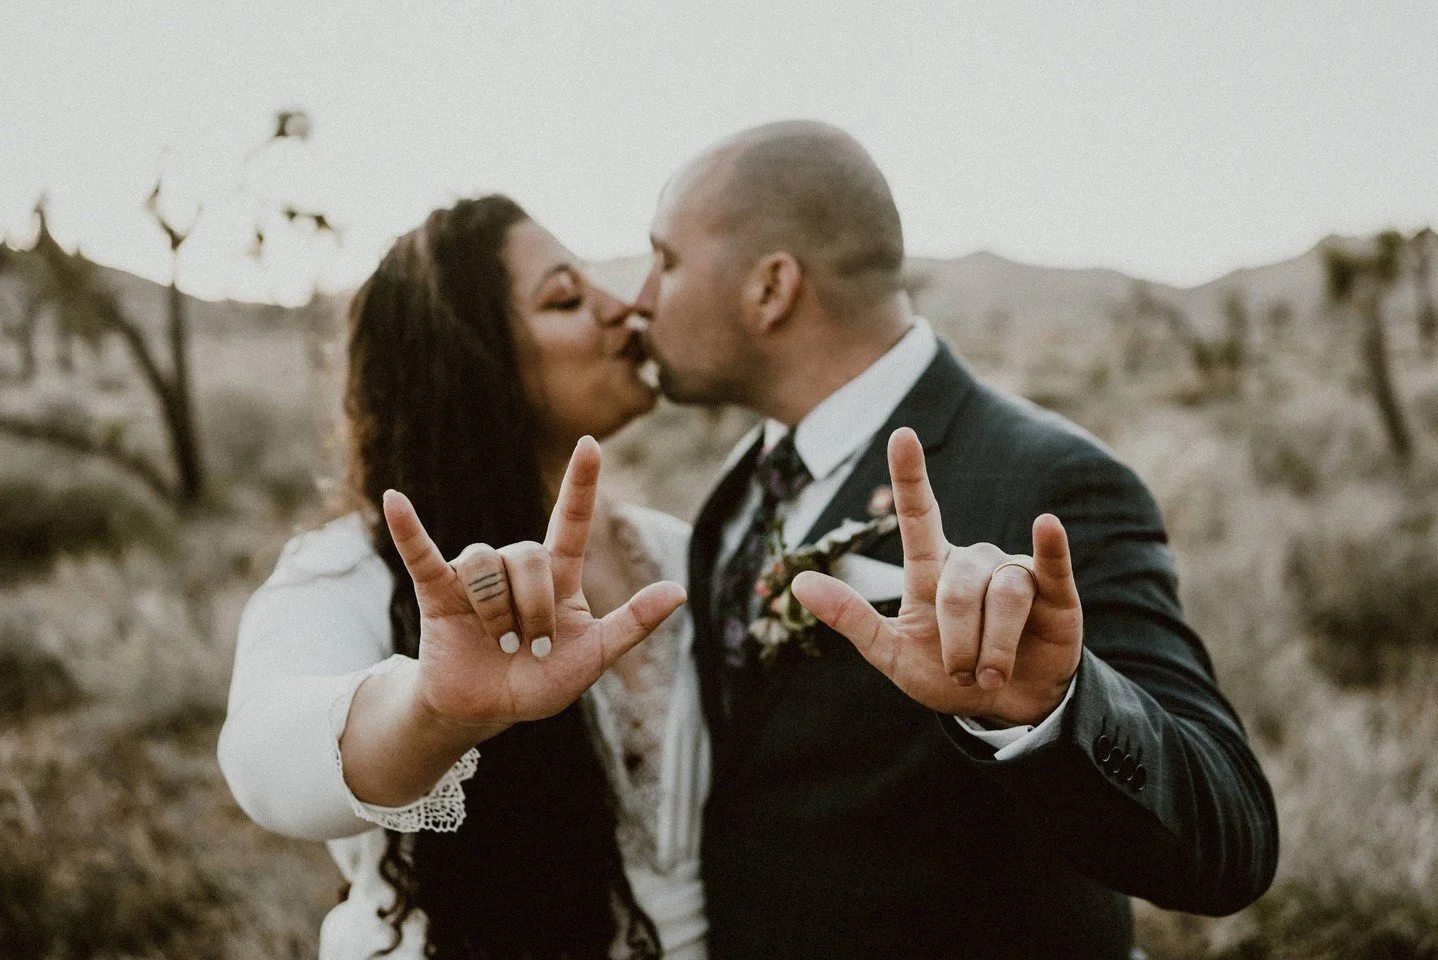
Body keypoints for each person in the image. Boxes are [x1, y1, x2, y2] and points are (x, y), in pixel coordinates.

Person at [627, 120, 1280, 960]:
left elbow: (1231, 839)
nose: (640, 298)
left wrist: (1055, 706)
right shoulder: (740, 480)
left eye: (666, 261)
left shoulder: (1048, 483)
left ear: (770, 288)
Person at [218, 195, 709, 960]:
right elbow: (264, 765)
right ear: (469, 359)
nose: (623, 309)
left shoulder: (676, 554)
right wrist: (435, 714)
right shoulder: (351, 573)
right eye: (566, 298)